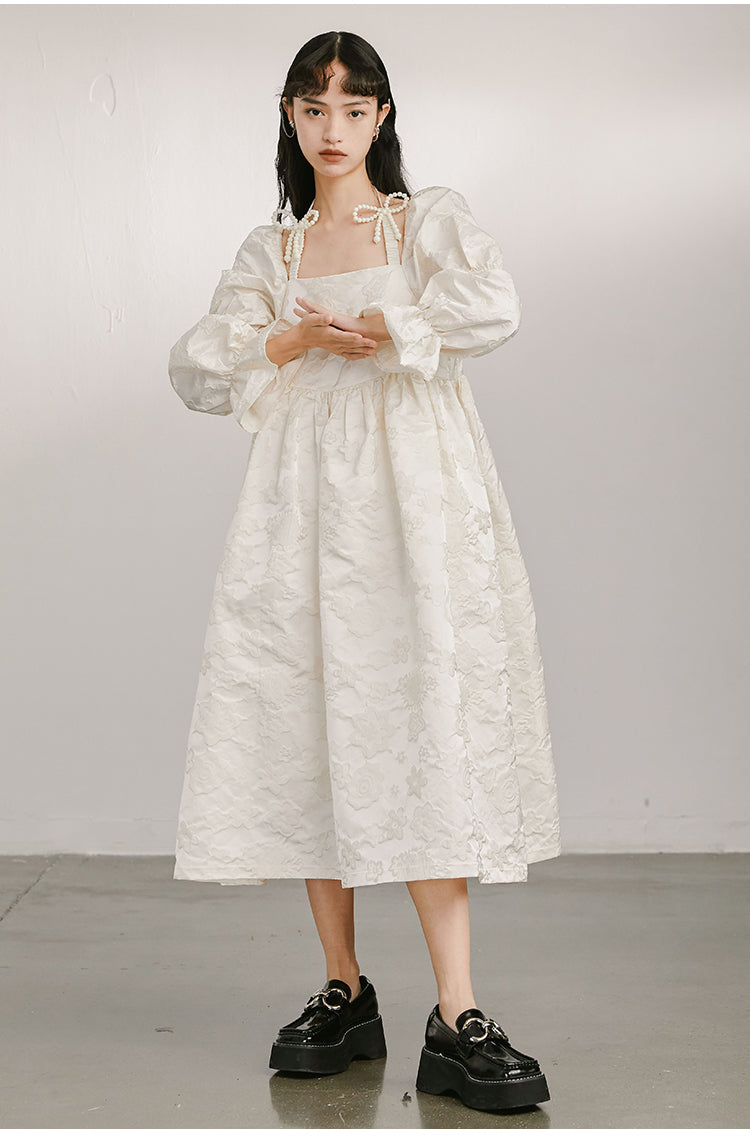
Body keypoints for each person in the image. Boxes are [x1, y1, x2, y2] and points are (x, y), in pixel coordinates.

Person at [168, 30, 562, 1114]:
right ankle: (344, 989)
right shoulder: (274, 250)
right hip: (302, 506)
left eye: (352, 108)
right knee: (310, 717)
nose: (332, 129)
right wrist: (294, 343)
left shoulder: (424, 221)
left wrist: (384, 323)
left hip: (417, 501)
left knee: (424, 716)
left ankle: (458, 1011)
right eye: (313, 109)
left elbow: (493, 305)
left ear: (382, 117)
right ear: (290, 118)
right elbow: (196, 364)